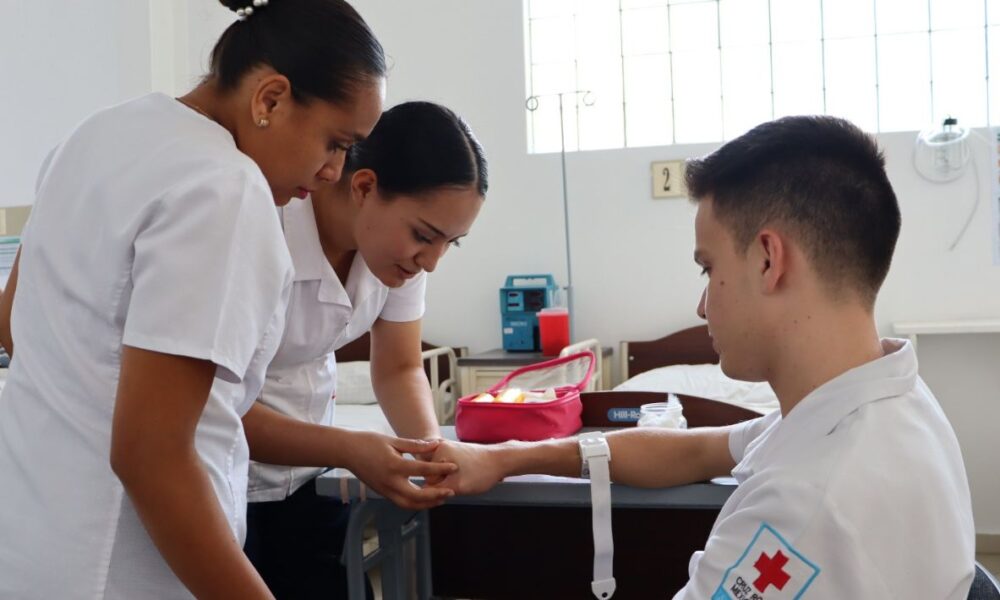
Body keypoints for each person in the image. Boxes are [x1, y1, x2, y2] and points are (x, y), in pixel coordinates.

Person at [0, 1, 455, 599]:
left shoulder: (95, 135)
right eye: (335, 143)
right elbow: (153, 458)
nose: (331, 172)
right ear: (269, 99)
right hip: (124, 564)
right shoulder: (224, 187)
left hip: (33, 539)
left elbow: (13, 322)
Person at [426, 116, 976, 598]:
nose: (702, 302)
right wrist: (506, 458)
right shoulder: (888, 401)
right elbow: (693, 450)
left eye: (708, 268)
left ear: (768, 260)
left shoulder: (807, 504)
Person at [242, 100, 487, 598]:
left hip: (310, 472)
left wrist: (428, 454)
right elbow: (215, 406)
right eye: (425, 236)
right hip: (224, 472)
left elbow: (399, 368)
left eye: (450, 243)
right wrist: (352, 449)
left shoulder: (396, 257)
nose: (432, 261)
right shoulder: (263, 232)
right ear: (364, 186)